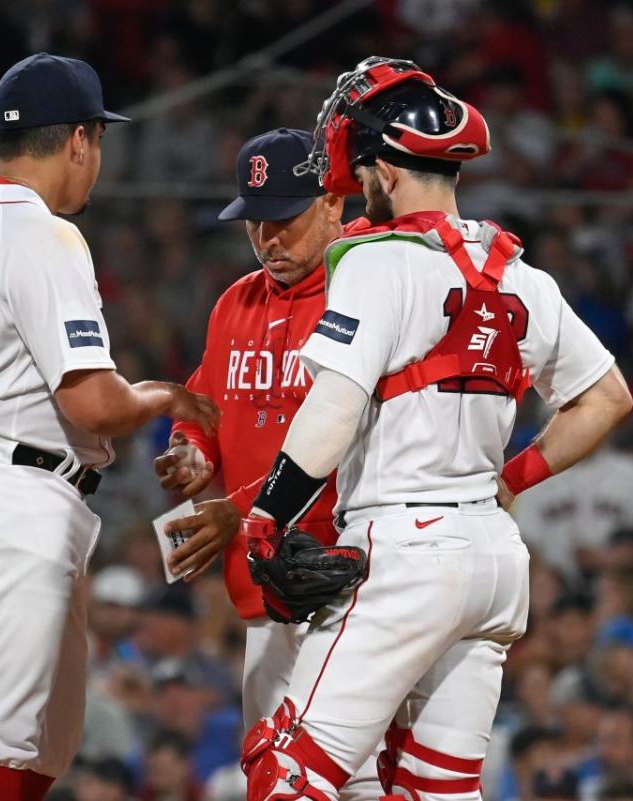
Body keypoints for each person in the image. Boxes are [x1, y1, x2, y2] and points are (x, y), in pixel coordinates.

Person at [235, 57, 633, 801]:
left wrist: (268, 514)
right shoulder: (521, 274)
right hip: (491, 562)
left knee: (284, 772)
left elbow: (335, 404)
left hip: (403, 551)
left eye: (357, 165)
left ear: (386, 168)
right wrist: (511, 480)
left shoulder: (376, 260)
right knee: (436, 792)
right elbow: (607, 397)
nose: (352, 181)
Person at [0, 53, 219, 801]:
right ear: (81, 140)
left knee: (41, 747)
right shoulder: (41, 234)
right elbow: (94, 404)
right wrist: (163, 395)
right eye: (98, 141)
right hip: (6, 496)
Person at [152, 127, 378, 798]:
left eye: (284, 217)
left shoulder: (364, 289)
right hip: (263, 597)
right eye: (255, 221)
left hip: (345, 590)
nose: (267, 238)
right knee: (272, 777)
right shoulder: (237, 301)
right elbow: (203, 405)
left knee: (359, 785)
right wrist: (191, 452)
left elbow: (356, 439)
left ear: (335, 202)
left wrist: (243, 505)